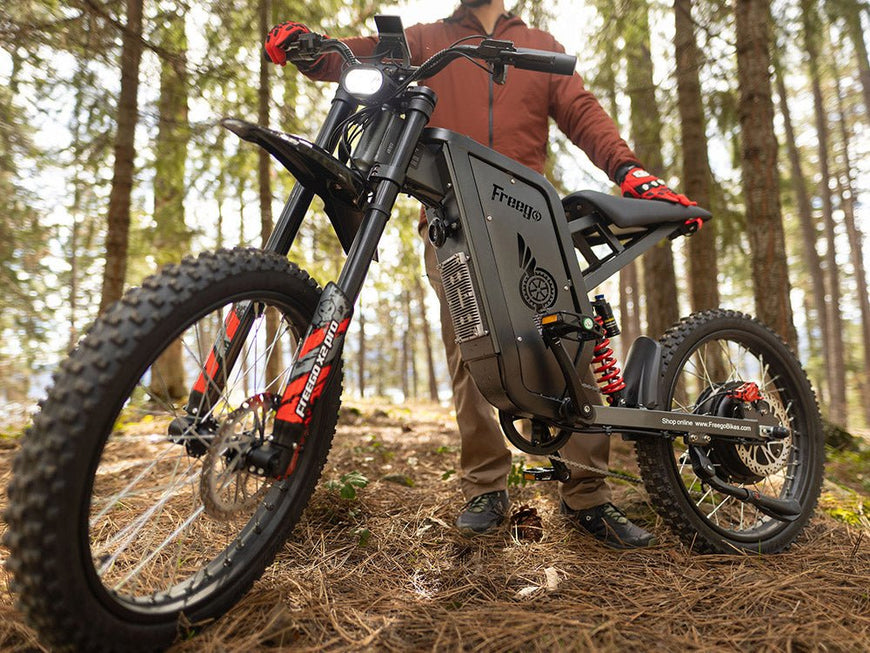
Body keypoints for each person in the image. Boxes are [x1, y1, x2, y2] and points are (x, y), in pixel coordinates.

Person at [264, 0, 695, 549]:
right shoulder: (428, 38)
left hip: (529, 217)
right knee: (469, 350)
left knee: (572, 342)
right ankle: (485, 487)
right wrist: (310, 47)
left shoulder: (539, 45)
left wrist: (627, 170)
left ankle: (587, 495)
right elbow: (355, 57)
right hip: (448, 216)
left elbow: (583, 112)